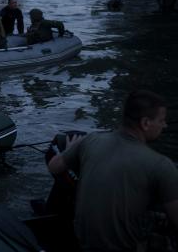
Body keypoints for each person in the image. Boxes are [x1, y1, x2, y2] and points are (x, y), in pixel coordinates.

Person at [48, 90, 178, 251]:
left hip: (84, 244)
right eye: (162, 120)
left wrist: (73, 148)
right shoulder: (161, 165)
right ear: (145, 123)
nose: (164, 125)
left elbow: (53, 167)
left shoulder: (91, 140)